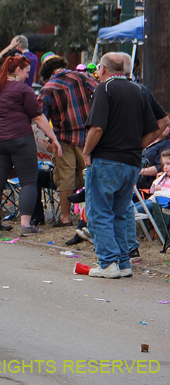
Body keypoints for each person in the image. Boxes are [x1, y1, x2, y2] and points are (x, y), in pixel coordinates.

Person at [82, 53, 160, 278]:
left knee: (99, 213)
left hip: (107, 159)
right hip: (132, 163)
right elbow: (155, 128)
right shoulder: (138, 89)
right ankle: (123, 263)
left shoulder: (105, 89)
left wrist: (87, 152)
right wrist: (136, 147)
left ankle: (108, 263)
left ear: (103, 69)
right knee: (119, 213)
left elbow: (96, 128)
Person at [0, 55, 62, 236]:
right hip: (20, 139)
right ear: (17, 70)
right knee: (28, 181)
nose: (27, 76)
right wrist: (53, 139)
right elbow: (38, 117)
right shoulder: (23, 90)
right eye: (26, 72)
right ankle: (25, 225)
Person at [38, 54, 99, 227]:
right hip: (89, 136)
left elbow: (40, 117)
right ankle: (88, 216)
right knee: (89, 174)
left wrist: (48, 140)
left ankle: (65, 218)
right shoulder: (83, 76)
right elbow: (101, 93)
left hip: (63, 138)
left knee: (65, 177)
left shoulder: (47, 88)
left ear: (47, 73)